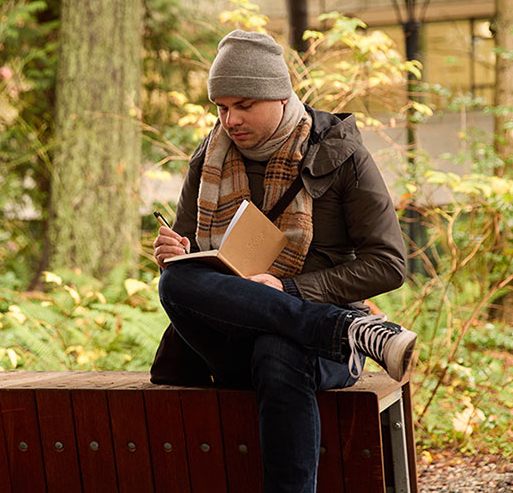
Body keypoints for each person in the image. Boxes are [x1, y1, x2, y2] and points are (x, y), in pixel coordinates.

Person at [150, 30, 417, 493]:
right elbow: (196, 262)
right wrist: (176, 254)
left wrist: (290, 289)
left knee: (280, 349)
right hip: (236, 338)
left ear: (280, 94)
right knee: (175, 283)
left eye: (244, 105)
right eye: (221, 107)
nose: (229, 119)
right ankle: (346, 331)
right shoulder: (207, 159)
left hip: (311, 353)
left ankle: (331, 330)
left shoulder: (341, 153)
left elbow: (389, 263)